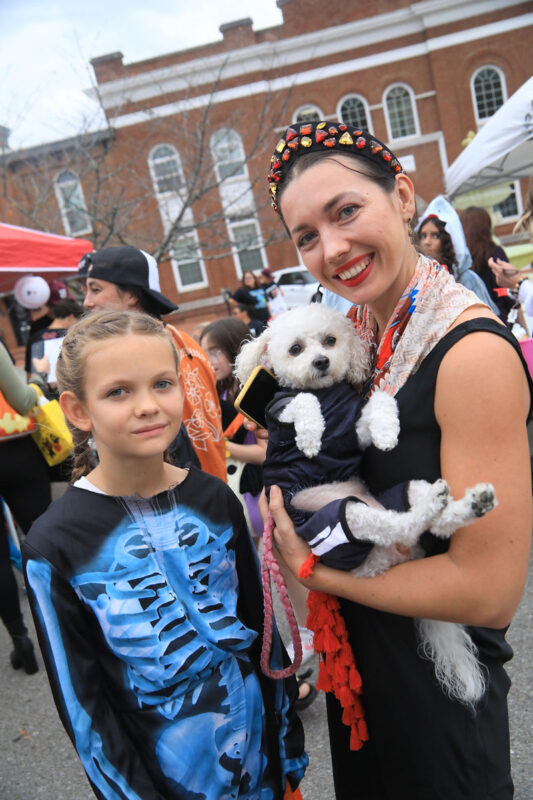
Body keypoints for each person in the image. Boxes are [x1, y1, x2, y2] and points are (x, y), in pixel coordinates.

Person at [264, 120, 531, 799]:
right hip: (364, 675)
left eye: (346, 211)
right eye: (306, 236)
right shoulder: (354, 333)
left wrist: (317, 570)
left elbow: (488, 591)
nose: (332, 248)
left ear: (404, 197)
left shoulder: (470, 353)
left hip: (439, 701)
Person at [22, 309, 307, 799]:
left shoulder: (215, 499)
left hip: (265, 771)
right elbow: (84, 707)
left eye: (161, 384)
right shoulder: (54, 545)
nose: (148, 406)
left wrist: (288, 750)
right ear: (78, 410)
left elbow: (261, 630)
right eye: (118, 392)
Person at [77, 245, 227, 482]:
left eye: (96, 289)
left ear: (131, 295)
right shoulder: (184, 340)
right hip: (212, 485)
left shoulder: (136, 354)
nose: (87, 301)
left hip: (181, 489)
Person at [0, 340, 50, 675]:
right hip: (13, 449)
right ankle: (68, 624)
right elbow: (22, 400)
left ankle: (21, 639)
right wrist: (38, 379)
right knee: (45, 538)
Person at [199, 318, 266, 545]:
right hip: (232, 486)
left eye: (215, 351)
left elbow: (264, 452)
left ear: (234, 348)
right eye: (204, 352)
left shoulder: (254, 390)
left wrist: (222, 446)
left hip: (256, 490)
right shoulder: (218, 392)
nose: (209, 360)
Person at [416, 196, 500, 314]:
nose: (427, 242)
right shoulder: (420, 280)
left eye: (435, 236)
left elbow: (485, 318)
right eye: (423, 236)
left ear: (447, 241)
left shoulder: (467, 279)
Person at [461, 205, 515, 324]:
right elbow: (507, 290)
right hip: (501, 318)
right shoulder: (496, 253)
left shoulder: (462, 259)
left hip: (473, 320)